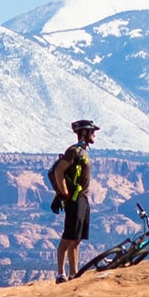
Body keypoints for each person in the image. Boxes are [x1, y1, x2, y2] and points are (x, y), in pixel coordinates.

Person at [50, 119, 100, 281]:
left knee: (76, 239)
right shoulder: (73, 151)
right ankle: (60, 274)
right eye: (92, 131)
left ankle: (74, 273)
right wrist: (64, 194)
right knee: (68, 237)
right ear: (84, 132)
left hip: (83, 198)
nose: (94, 135)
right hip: (75, 198)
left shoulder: (83, 151)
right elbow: (59, 171)